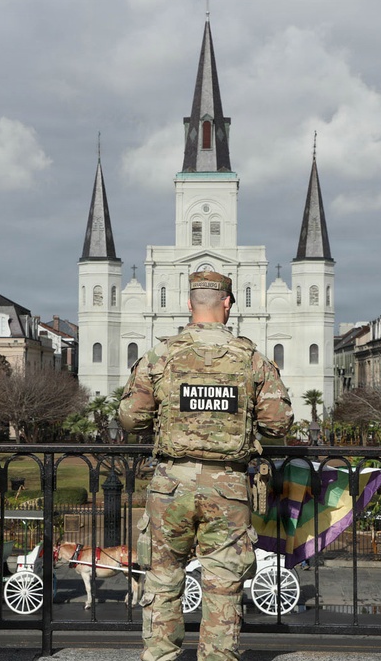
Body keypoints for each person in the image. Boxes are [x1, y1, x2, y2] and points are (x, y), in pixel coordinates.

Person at [119, 271, 294, 661]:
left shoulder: (160, 356)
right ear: (228, 303)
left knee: (163, 580)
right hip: (228, 487)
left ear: (189, 303)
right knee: (223, 584)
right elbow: (278, 422)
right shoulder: (252, 359)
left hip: (170, 485)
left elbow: (131, 418)